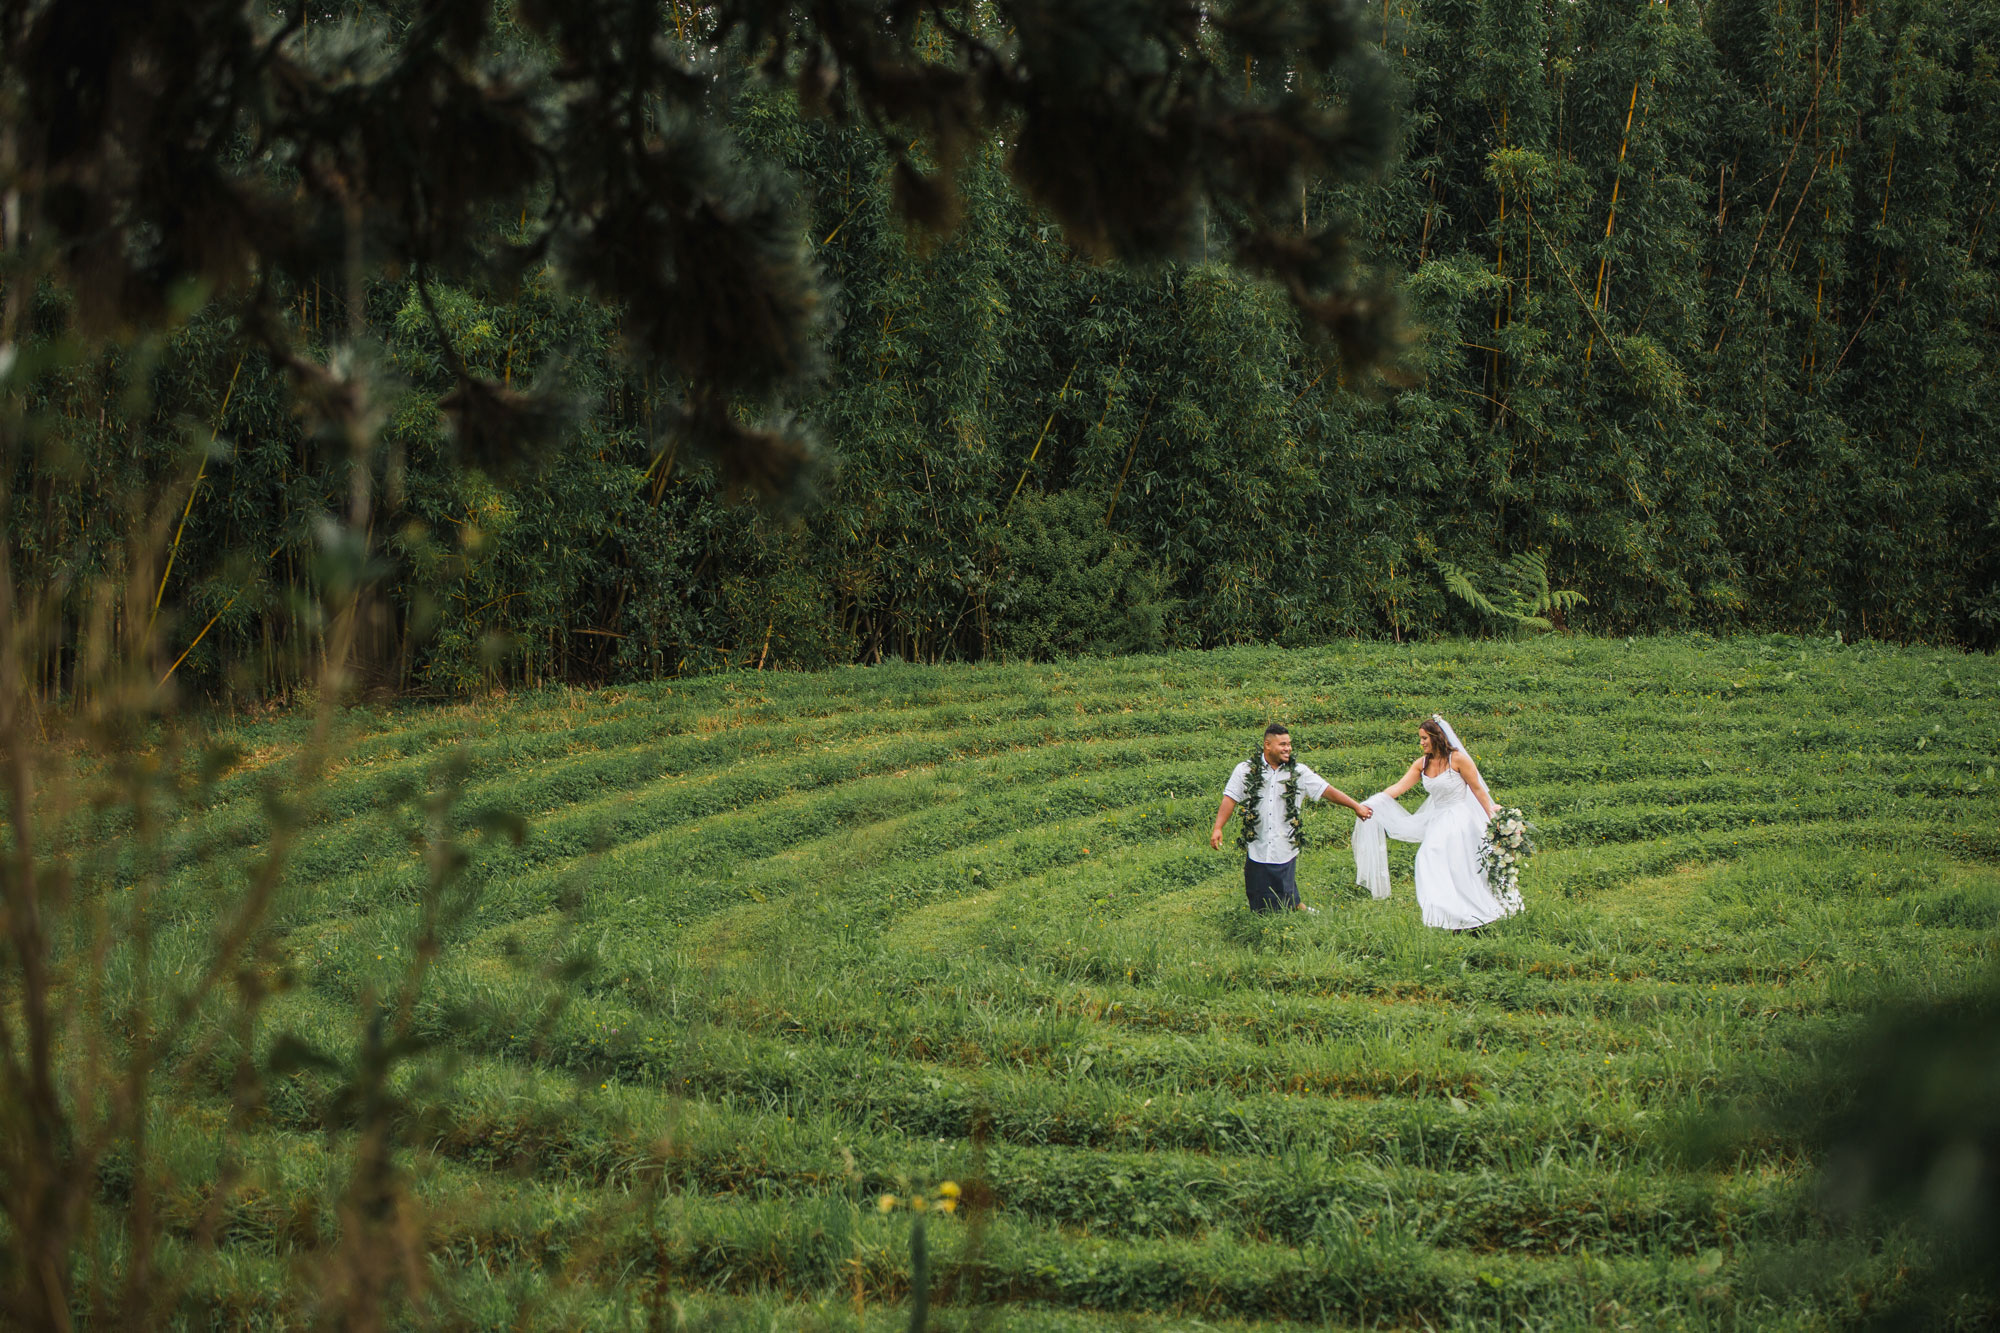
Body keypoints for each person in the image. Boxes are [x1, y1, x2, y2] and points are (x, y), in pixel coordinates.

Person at [1352, 715, 1519, 931]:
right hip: (1438, 818)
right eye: (1420, 739)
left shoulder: (1458, 760)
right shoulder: (1422, 764)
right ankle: (1442, 912)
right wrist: (1372, 802)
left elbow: (1477, 789)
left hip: (1460, 817)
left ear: (1436, 737)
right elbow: (1399, 787)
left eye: (1424, 738)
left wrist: (1492, 815)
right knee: (1428, 858)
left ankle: (1468, 910)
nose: (1421, 743)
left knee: (1454, 862)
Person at [1211, 723, 1373, 913]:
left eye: (1289, 744)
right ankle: (1274, 919)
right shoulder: (1245, 770)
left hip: (1284, 845)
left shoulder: (1298, 772)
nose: (1288, 748)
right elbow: (1230, 798)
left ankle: (1298, 913)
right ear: (1267, 745)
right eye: (1282, 744)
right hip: (1257, 843)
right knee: (1257, 896)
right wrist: (1218, 827)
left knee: (1285, 892)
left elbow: (1326, 790)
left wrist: (1355, 806)